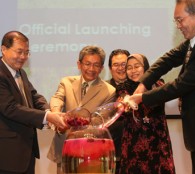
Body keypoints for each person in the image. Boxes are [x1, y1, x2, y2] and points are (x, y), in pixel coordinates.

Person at [129, 1, 195, 174]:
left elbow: (182, 84)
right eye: (176, 21)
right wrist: (144, 83)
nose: (178, 26)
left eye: (180, 20)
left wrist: (143, 98)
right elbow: (169, 59)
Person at [0, 31, 68, 174]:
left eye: (27, 52)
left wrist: (50, 111)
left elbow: (34, 96)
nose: (23, 57)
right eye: (19, 52)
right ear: (4, 49)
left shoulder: (20, 72)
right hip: (6, 154)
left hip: (24, 152)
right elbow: (10, 108)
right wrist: (47, 117)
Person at [47, 45, 116, 174]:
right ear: (79, 64)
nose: (91, 69)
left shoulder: (109, 90)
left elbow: (100, 119)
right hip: (65, 147)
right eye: (87, 64)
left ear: (101, 68)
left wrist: (71, 121)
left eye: (96, 65)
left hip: (92, 151)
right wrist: (56, 114)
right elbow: (57, 98)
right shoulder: (66, 82)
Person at [117, 54, 175, 174]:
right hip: (133, 146)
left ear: (146, 68)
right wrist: (124, 105)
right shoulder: (123, 88)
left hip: (158, 144)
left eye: (137, 66)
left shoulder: (158, 85)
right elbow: (124, 105)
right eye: (129, 67)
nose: (133, 71)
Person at [106, 49, 130, 173]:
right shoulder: (103, 89)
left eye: (124, 64)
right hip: (110, 152)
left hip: (135, 151)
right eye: (116, 65)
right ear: (110, 68)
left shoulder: (140, 88)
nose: (120, 68)